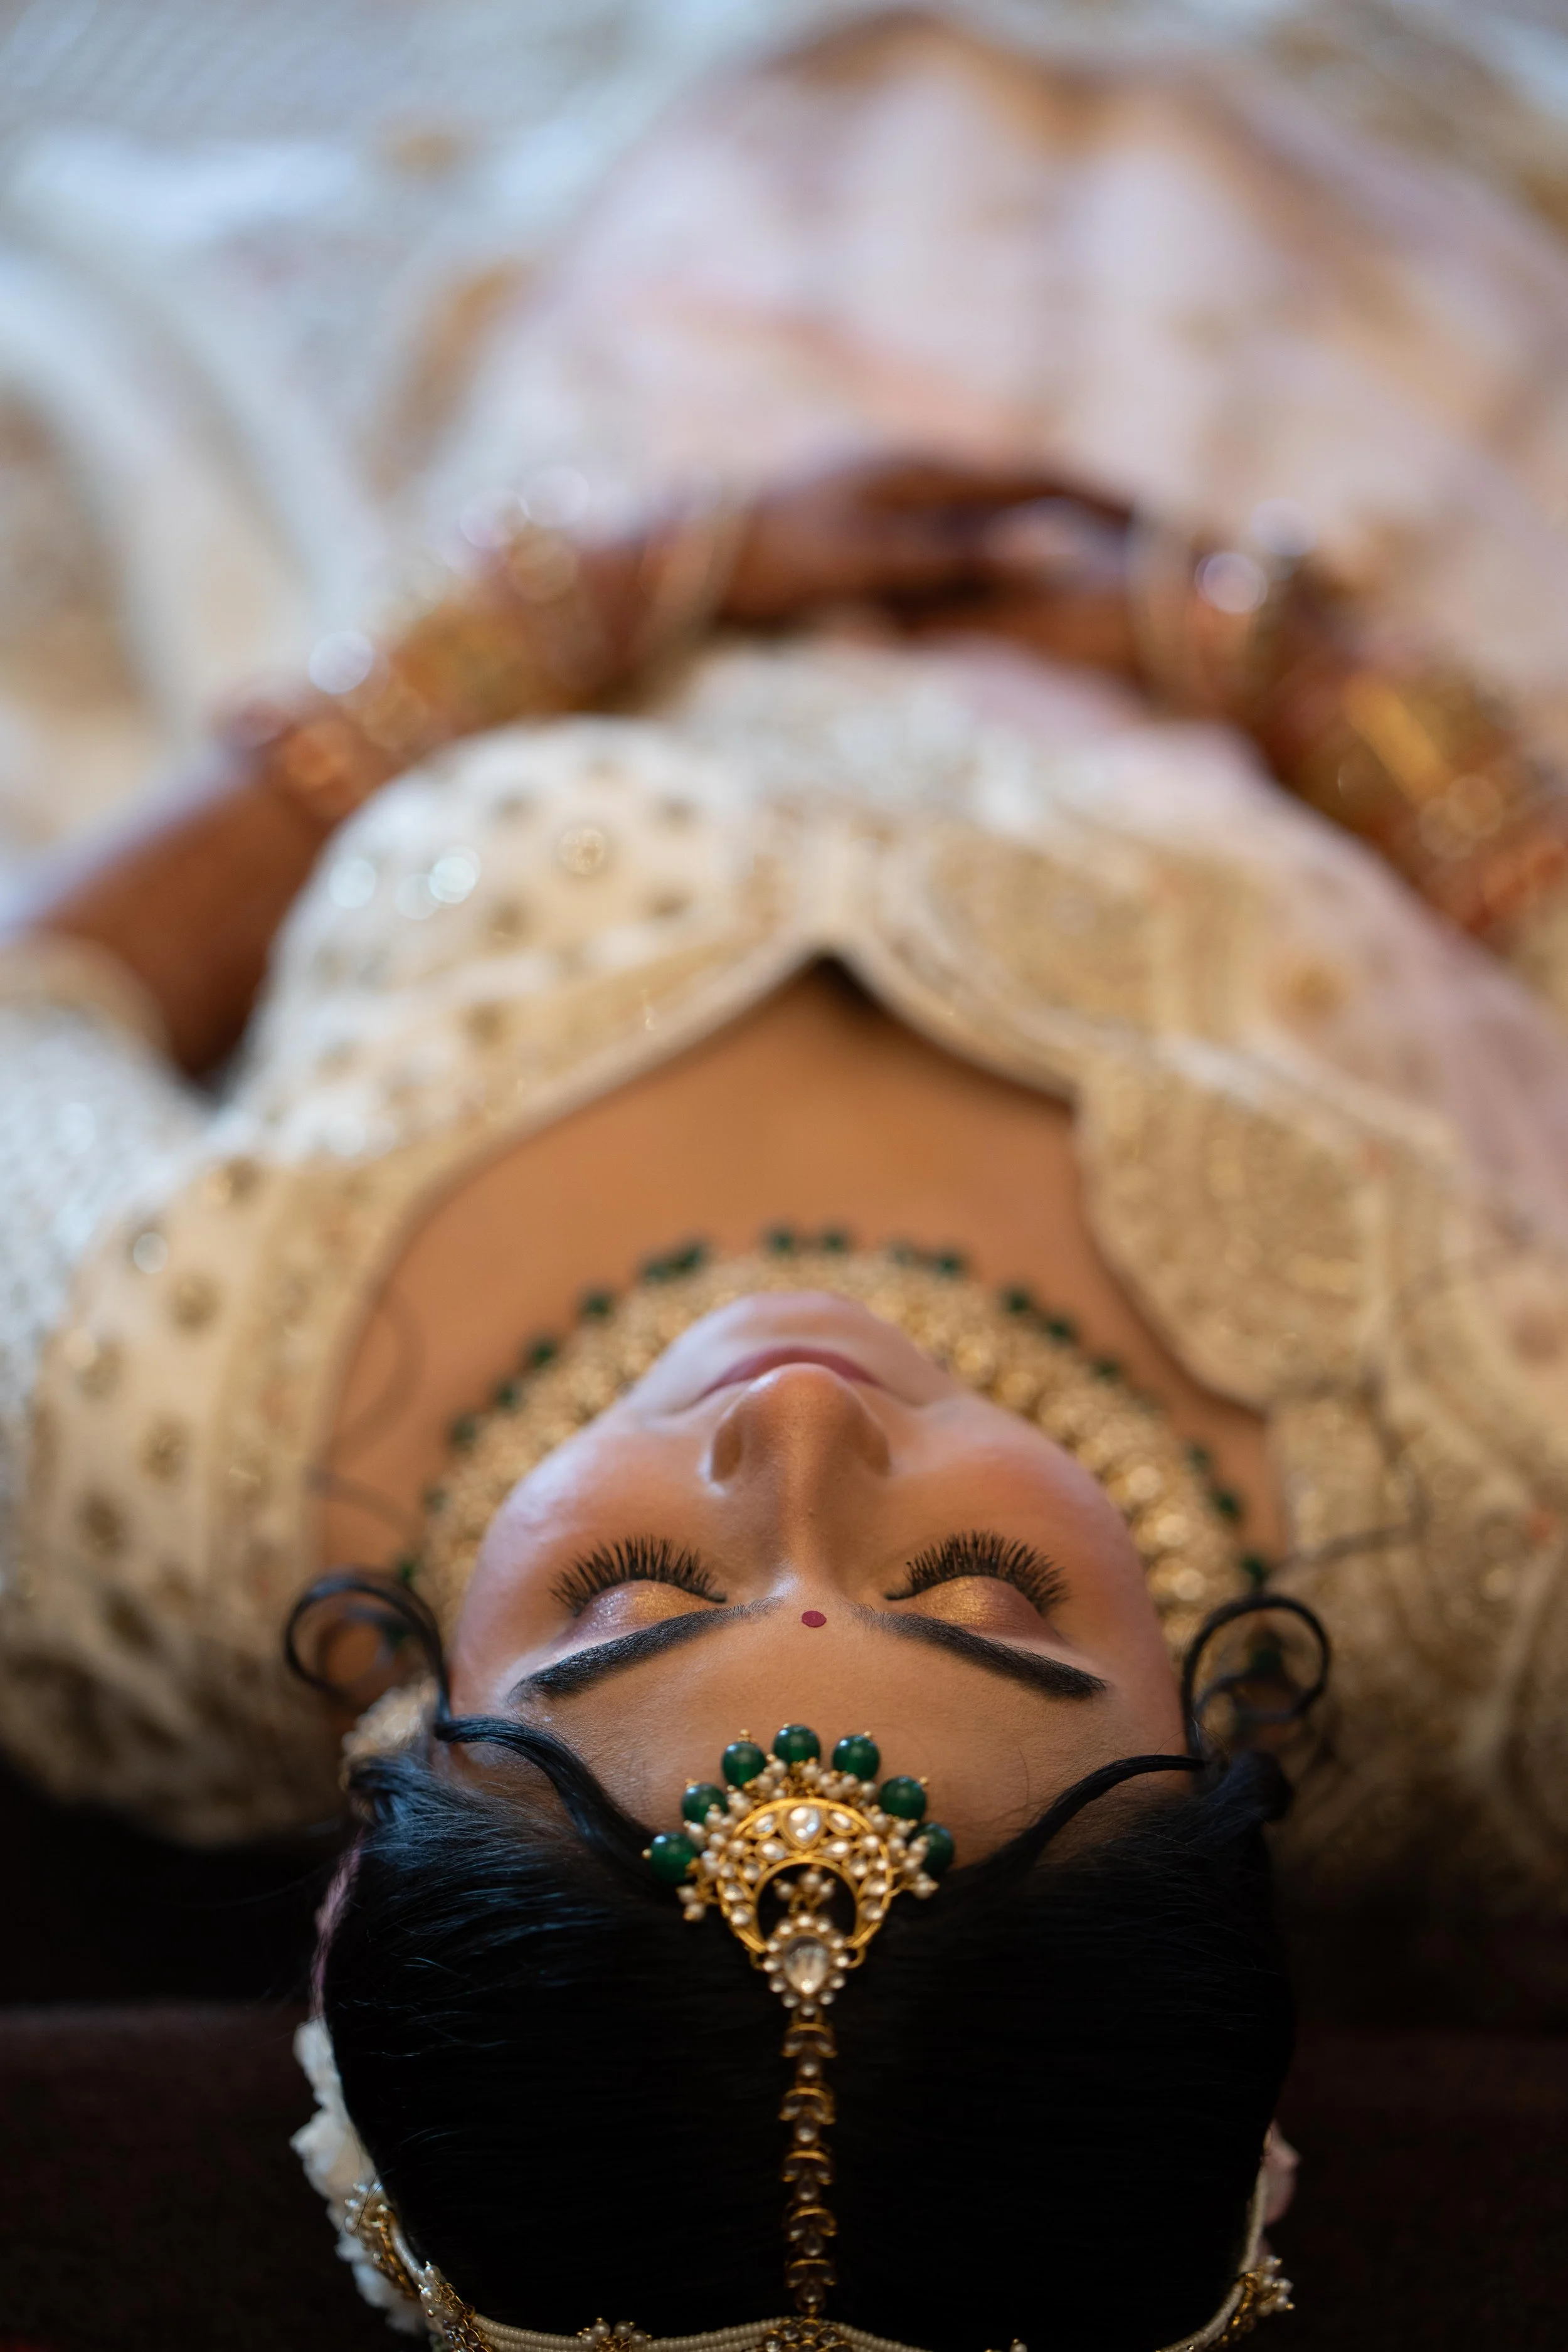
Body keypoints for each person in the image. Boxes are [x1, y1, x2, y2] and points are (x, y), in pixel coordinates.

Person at [1, 12, 1567, 2348]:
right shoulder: (1505, 1562)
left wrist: (591, 596)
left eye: (628, 1591)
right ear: (1216, 1774)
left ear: (388, 1802)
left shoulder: (147, 1450)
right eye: (988, 1590)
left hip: (643, 516)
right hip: (1329, 551)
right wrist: (1346, 701)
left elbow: (49, 989)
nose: (797, 1428)